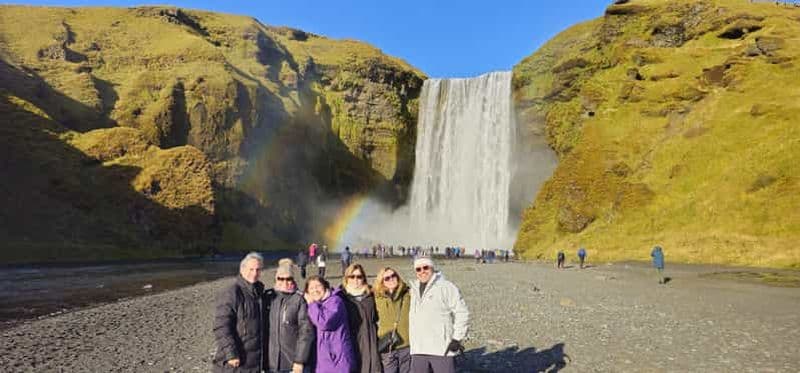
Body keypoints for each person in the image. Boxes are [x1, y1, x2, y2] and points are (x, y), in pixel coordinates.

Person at [409, 257, 469, 373]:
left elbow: (462, 312)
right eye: (418, 269)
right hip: (418, 349)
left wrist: (457, 338)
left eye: (425, 267)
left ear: (432, 267)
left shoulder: (446, 287)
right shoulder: (413, 289)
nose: (422, 271)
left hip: (441, 349)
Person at [212, 252, 266, 372]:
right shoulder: (231, 293)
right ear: (242, 269)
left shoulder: (260, 293)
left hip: (254, 362)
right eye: (251, 269)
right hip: (236, 362)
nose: (254, 273)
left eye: (258, 269)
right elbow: (221, 327)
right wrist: (231, 354)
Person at [265, 263, 314, 373]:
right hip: (270, 363)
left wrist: (300, 360)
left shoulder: (299, 300)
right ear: (276, 279)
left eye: (288, 279)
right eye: (280, 279)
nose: (285, 282)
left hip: (291, 363)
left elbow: (306, 332)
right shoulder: (267, 298)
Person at [304, 276, 355, 373]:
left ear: (325, 286)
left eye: (318, 286)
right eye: (311, 288)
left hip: (337, 359)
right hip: (324, 361)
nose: (315, 290)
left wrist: (311, 304)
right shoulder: (318, 305)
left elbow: (324, 323)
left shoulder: (335, 301)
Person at [340, 263, 381, 373]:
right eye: (352, 276)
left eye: (359, 276)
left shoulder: (371, 295)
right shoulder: (341, 297)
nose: (356, 280)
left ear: (363, 278)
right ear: (346, 278)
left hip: (370, 341)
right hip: (351, 342)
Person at [374, 267, 412, 373]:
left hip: (406, 345)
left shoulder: (408, 294)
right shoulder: (377, 298)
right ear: (382, 281)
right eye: (387, 278)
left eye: (393, 275)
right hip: (388, 346)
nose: (391, 279)